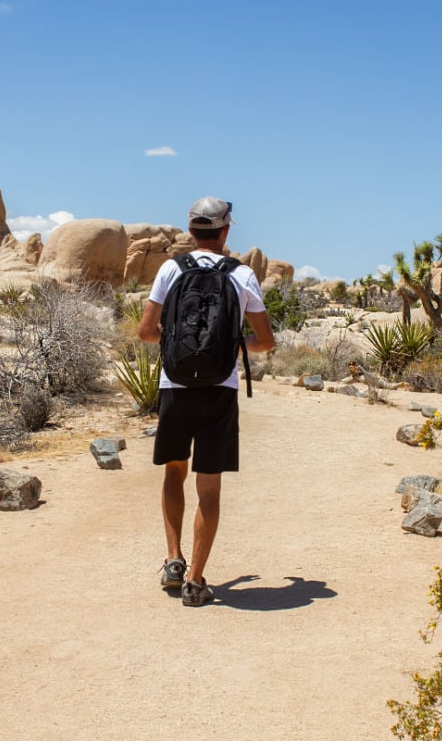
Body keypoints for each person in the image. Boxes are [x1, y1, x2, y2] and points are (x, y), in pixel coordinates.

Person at [137, 196, 275, 607]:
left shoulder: (170, 268)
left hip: (175, 385)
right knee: (209, 487)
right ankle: (196, 582)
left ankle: (173, 560)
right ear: (226, 231)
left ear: (191, 230)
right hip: (220, 389)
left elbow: (146, 332)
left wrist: (178, 342)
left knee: (173, 472)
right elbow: (265, 341)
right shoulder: (242, 275)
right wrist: (233, 345)